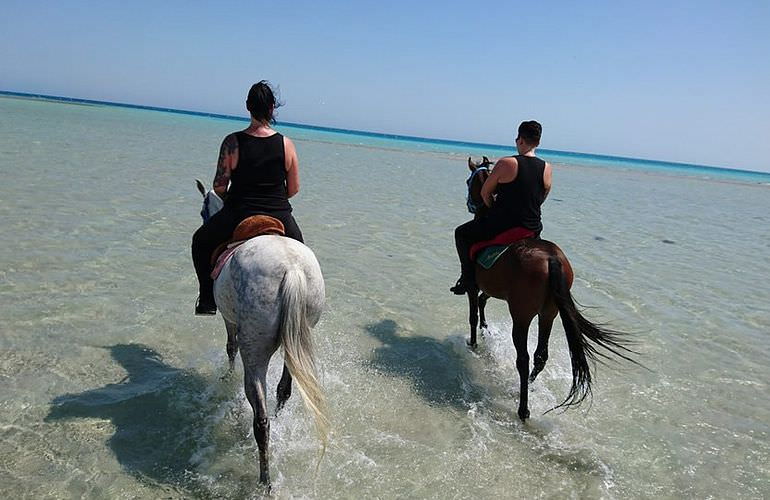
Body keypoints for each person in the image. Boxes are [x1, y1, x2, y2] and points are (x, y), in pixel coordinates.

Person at [192, 81, 303, 315]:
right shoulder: (287, 144)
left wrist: (235, 196)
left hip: (239, 212)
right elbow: (293, 189)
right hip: (279, 214)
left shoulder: (232, 142)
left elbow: (219, 186)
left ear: (247, 107)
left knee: (200, 242)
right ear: (272, 108)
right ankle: (303, 306)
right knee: (302, 257)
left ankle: (207, 300)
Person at [450, 120, 552, 295]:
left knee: (461, 233)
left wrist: (493, 208)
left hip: (503, 226)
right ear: (538, 142)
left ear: (520, 140)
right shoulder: (547, 168)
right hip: (532, 228)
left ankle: (467, 279)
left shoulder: (507, 163)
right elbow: (542, 197)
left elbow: (484, 193)